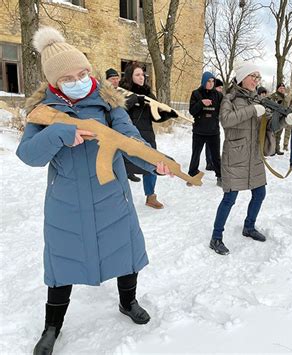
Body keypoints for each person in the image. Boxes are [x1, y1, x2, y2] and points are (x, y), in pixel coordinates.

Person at [17, 27, 173, 355]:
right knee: (61, 264)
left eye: (84, 71)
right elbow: (28, 154)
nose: (79, 79)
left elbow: (130, 139)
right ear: (55, 83)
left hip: (110, 196)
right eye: (69, 76)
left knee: (125, 252)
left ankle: (127, 301)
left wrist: (153, 161)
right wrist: (59, 132)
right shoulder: (42, 112)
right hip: (66, 203)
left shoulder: (107, 102)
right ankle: (52, 327)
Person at [209, 62, 292, 255]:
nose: (256, 80)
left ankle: (249, 226)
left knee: (259, 193)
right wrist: (251, 110)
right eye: (253, 76)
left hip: (254, 156)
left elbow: (268, 127)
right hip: (236, 155)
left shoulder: (259, 99)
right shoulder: (229, 98)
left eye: (258, 77)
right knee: (229, 198)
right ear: (242, 77)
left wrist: (284, 120)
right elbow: (225, 120)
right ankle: (216, 237)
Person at [120, 62, 176, 209]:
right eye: (137, 75)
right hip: (127, 137)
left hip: (147, 136)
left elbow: (155, 116)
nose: (141, 77)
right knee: (122, 165)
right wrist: (134, 100)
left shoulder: (149, 95)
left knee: (152, 164)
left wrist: (168, 114)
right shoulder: (122, 92)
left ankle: (150, 197)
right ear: (129, 77)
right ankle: (120, 197)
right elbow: (118, 110)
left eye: (142, 74)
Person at [187, 71, 223, 186]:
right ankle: (192, 175)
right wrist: (201, 103)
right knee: (195, 154)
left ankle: (220, 177)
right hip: (199, 131)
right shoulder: (196, 94)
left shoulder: (218, 95)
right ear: (203, 81)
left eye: (213, 81)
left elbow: (224, 109)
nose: (211, 83)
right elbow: (192, 111)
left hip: (213, 132)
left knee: (216, 156)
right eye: (208, 81)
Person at [205, 79, 224, 171]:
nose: (221, 89)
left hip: (214, 124)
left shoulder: (218, 97)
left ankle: (212, 161)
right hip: (208, 125)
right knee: (210, 144)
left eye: (221, 88)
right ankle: (209, 163)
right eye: (219, 87)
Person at [270, 82, 287, 155]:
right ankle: (272, 149)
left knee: (279, 135)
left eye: (283, 88)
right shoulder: (274, 96)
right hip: (275, 116)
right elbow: (270, 105)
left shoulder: (285, 97)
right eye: (280, 88)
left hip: (282, 117)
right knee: (273, 134)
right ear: (277, 89)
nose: (282, 90)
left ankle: (277, 149)